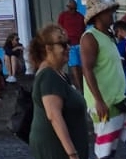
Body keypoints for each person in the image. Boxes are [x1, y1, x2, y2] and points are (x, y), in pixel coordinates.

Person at [79, 0, 126, 159]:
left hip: (121, 101)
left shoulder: (109, 37)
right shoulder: (90, 38)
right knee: (106, 151)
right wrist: (99, 100)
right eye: (108, 12)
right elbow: (87, 69)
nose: (112, 15)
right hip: (106, 105)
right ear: (98, 16)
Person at [28, 22, 88, 159]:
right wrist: (72, 153)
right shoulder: (48, 75)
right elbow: (54, 115)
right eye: (62, 44)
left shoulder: (59, 74)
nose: (68, 47)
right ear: (48, 48)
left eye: (68, 43)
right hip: (57, 149)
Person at [57, 0, 86, 93]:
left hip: (80, 43)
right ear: (67, 7)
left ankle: (84, 88)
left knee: (82, 67)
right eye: (70, 8)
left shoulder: (80, 17)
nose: (72, 10)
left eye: (74, 8)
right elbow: (59, 29)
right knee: (74, 66)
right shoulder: (63, 16)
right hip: (70, 44)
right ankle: (80, 89)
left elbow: (83, 29)